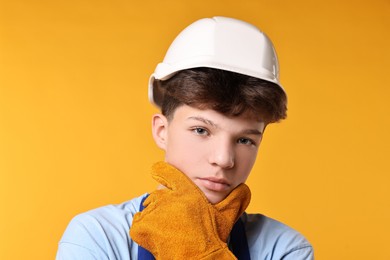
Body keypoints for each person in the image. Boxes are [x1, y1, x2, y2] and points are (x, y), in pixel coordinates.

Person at [56, 16, 314, 259]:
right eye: (201, 130)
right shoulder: (97, 235)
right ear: (162, 131)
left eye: (245, 140)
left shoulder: (284, 248)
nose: (224, 159)